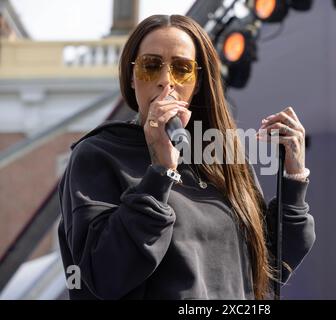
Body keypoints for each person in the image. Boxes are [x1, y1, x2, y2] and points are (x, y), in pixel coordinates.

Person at [57, 14, 315, 300]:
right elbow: (103, 275)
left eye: (182, 69)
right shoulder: (99, 154)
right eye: (150, 66)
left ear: (198, 81)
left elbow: (269, 270)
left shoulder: (223, 156)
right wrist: (161, 171)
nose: (166, 81)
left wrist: (294, 177)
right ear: (131, 77)